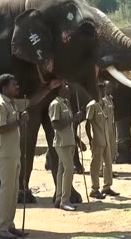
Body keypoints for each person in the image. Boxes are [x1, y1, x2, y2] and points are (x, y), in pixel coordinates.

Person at [0, 73, 62, 238]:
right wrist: (19, 122)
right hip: (5, 154)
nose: (16, 86)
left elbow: (32, 101)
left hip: (14, 153)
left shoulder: (14, 103)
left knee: (14, 191)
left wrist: (49, 88)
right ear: (4, 88)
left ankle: (9, 225)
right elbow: (1, 128)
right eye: (13, 84)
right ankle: (0, 227)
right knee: (6, 191)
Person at [48, 83, 82, 211]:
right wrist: (73, 119)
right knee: (69, 169)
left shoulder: (66, 103)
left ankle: (58, 198)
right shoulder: (55, 104)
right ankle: (65, 200)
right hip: (62, 142)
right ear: (59, 90)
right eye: (64, 86)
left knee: (62, 169)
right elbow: (55, 124)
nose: (68, 87)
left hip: (69, 140)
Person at [86, 83, 120, 199]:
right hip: (97, 139)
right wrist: (90, 139)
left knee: (108, 163)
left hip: (106, 137)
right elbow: (87, 124)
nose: (102, 91)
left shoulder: (105, 103)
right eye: (99, 89)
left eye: (103, 89)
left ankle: (107, 187)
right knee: (95, 164)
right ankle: (94, 189)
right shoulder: (92, 105)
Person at [99, 81, 118, 178]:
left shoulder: (110, 99)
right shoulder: (101, 101)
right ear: (104, 88)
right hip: (104, 129)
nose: (111, 89)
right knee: (103, 151)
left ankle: (109, 171)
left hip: (111, 128)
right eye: (108, 87)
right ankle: (101, 170)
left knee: (111, 151)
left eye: (111, 87)